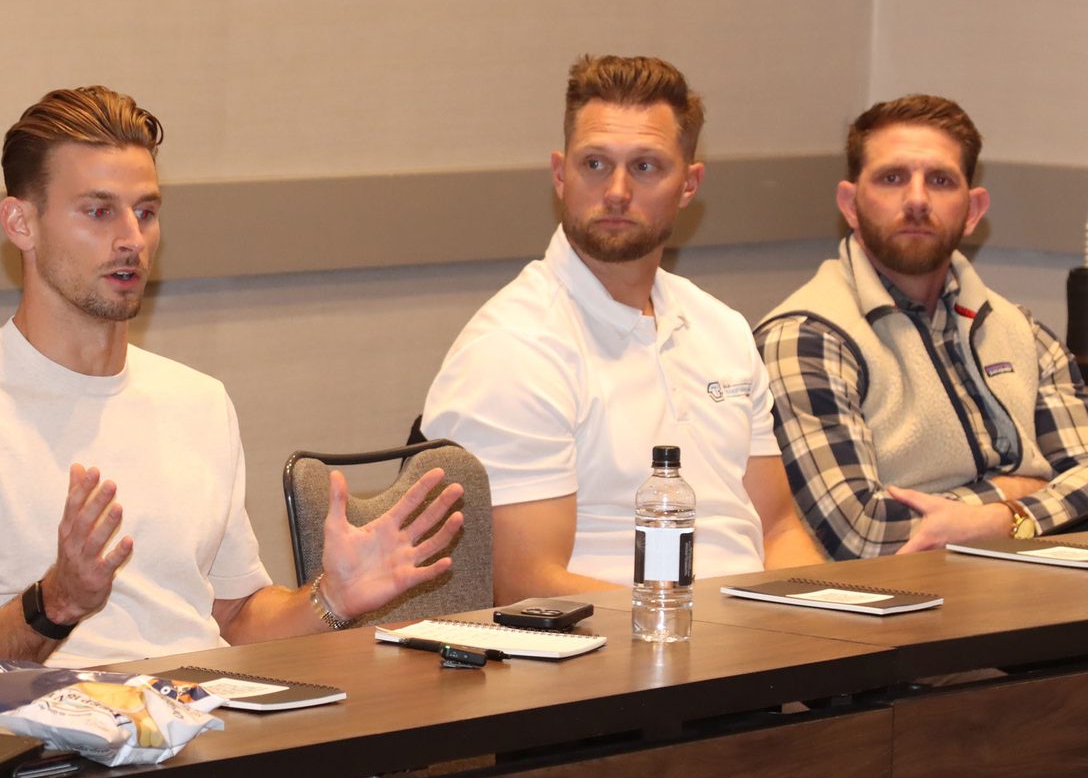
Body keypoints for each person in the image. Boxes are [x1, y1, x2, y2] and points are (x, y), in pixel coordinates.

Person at [0, 85, 465, 677]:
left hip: (205, 728)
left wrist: (331, 597)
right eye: (99, 211)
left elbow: (235, 618)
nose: (131, 238)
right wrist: (54, 605)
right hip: (52, 754)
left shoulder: (198, 402)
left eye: (146, 212)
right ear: (20, 223)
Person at [421, 55, 824, 608]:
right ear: (560, 175)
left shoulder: (722, 329)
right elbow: (525, 585)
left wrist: (823, 618)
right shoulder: (514, 347)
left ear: (689, 183)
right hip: (603, 667)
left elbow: (779, 531)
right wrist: (715, 628)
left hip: (746, 650)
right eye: (594, 164)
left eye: (645, 167)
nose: (615, 190)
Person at [757, 94, 1088, 556]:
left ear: (972, 211)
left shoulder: (1025, 334)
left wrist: (1003, 518)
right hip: (889, 611)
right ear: (850, 205)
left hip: (1025, 597)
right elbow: (865, 535)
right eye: (892, 179)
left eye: (940, 180)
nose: (916, 200)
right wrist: (1024, 493)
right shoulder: (806, 339)